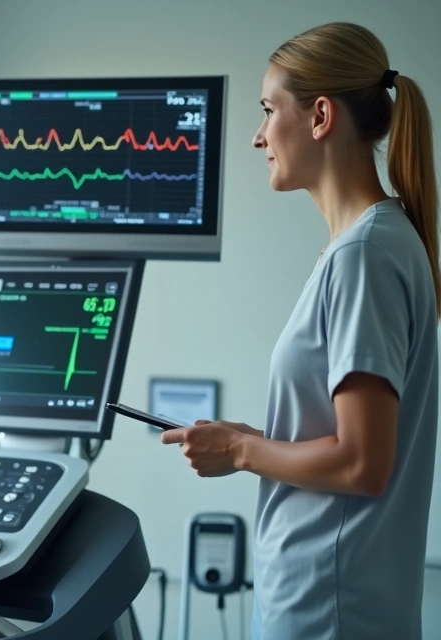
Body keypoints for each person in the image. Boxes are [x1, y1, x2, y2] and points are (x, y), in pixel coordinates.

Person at [161, 22, 438, 640]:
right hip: (324, 598)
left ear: (320, 116)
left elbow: (364, 462)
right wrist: (259, 436)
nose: (259, 136)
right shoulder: (370, 244)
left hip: (329, 609)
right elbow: (340, 439)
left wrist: (238, 453)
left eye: (267, 110)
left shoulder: (364, 255)